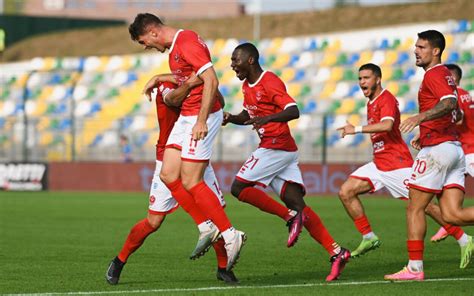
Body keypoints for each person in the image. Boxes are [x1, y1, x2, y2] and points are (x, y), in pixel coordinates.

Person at [128, 13, 246, 272]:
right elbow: (187, 77)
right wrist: (161, 77)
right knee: (169, 174)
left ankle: (229, 233)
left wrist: (201, 121)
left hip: (199, 117)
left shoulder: (187, 41)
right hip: (186, 117)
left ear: (153, 33)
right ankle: (207, 226)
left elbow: (211, 79)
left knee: (192, 181)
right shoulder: (176, 48)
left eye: (144, 41)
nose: (147, 46)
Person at [223, 42, 350, 282]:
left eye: (235, 60)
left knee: (238, 188)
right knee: (298, 204)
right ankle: (337, 252)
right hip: (283, 150)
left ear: (250, 59)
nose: (232, 65)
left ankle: (288, 217)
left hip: (276, 145)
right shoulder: (246, 87)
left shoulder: (270, 81)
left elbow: (293, 110)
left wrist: (268, 118)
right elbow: (249, 116)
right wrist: (231, 118)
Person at [106, 77, 239, 285]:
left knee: (214, 212)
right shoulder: (168, 85)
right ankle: (119, 261)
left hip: (195, 153)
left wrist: (208, 83)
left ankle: (223, 268)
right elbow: (172, 100)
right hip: (169, 155)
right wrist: (185, 81)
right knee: (153, 221)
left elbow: (218, 103)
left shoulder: (198, 77)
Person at [337, 63, 472, 268]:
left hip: (396, 164)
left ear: (378, 79)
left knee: (424, 207)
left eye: (366, 78)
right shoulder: (371, 102)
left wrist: (354, 129)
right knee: (346, 191)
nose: (362, 82)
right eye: (360, 78)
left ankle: (463, 238)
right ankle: (369, 236)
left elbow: (387, 125)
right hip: (379, 163)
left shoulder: (387, 99)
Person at [385, 30, 474, 281]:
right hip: (454, 149)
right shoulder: (445, 74)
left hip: (438, 150)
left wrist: (419, 118)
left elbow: (449, 104)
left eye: (422, 47)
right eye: (416, 46)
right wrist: (423, 134)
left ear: (435, 51)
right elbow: (449, 109)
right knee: (452, 215)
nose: (416, 50)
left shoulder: (435, 74)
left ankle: (414, 269)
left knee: (414, 208)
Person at [430, 64, 474, 242]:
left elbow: (459, 115)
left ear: (452, 78)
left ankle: (448, 224)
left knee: (440, 188)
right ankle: (447, 224)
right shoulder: (465, 93)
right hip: (463, 149)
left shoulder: (455, 95)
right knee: (444, 189)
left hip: (469, 150)